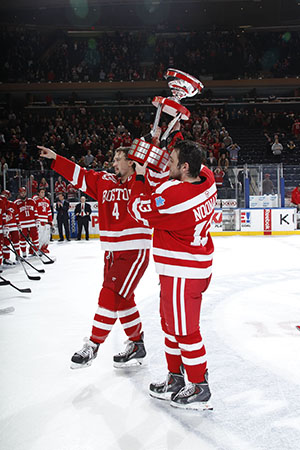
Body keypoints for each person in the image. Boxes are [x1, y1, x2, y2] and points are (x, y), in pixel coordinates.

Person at [37, 144, 164, 370]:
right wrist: (56, 158)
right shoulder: (103, 181)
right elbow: (79, 175)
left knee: (109, 295)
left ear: (131, 162)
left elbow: (161, 173)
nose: (113, 163)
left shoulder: (142, 181)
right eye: (113, 159)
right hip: (112, 251)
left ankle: (93, 345)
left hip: (134, 251)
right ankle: (137, 343)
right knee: (123, 299)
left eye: (118, 159)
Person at [128, 140, 217, 411]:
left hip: (183, 272)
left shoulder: (178, 198)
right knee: (170, 326)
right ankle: (176, 378)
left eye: (172, 160)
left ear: (185, 166)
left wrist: (140, 175)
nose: (168, 165)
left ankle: (200, 386)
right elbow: (166, 185)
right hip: (186, 268)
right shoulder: (206, 178)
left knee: (186, 331)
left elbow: (137, 208)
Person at [14, 187, 39, 258]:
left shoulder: (32, 201)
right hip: (22, 224)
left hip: (32, 223)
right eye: (21, 193)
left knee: (35, 237)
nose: (23, 194)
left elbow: (35, 211)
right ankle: (24, 252)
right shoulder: (16, 203)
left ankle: (35, 250)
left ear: (26, 193)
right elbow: (15, 214)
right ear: (19, 193)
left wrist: (37, 220)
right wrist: (17, 223)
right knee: (22, 239)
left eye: (24, 192)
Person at [1, 190, 20, 265]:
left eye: (6, 195)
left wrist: (18, 224)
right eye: (4, 195)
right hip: (6, 227)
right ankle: (6, 258)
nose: (5, 196)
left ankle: (17, 255)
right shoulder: (1, 204)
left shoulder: (12, 204)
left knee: (16, 241)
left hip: (13, 226)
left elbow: (16, 215)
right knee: (6, 243)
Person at [34, 188, 53, 253]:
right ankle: (36, 249)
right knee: (39, 236)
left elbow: (49, 211)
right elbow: (34, 210)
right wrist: (36, 220)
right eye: (41, 192)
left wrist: (50, 220)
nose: (43, 194)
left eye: (43, 192)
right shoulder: (35, 200)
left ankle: (43, 248)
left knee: (46, 236)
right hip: (39, 220)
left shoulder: (47, 200)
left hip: (45, 220)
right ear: (38, 193)